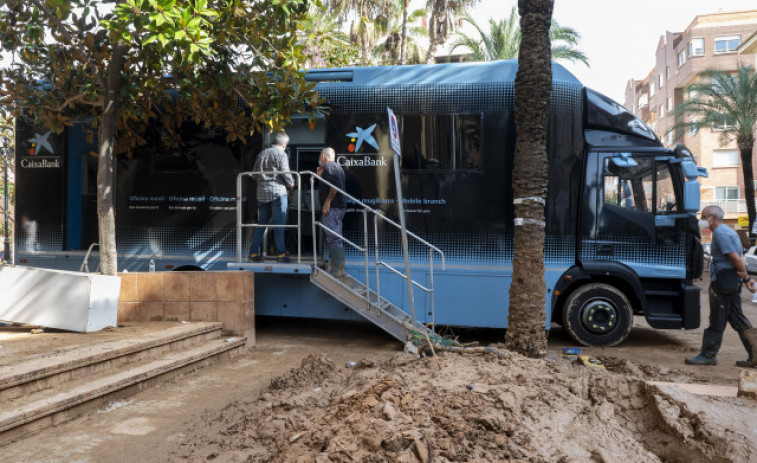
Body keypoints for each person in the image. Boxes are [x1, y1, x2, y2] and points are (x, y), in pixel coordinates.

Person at [686, 205, 757, 367]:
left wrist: (746, 279)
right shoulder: (729, 232)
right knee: (738, 318)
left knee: (717, 318)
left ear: (714, 217)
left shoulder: (720, 233)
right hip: (730, 282)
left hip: (723, 284)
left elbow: (736, 259)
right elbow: (740, 258)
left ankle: (708, 355)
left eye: (704, 216)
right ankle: (755, 355)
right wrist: (744, 280)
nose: (702, 220)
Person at [248, 132, 294, 263]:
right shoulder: (281, 154)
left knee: (261, 223)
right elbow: (286, 174)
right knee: (279, 224)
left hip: (261, 193)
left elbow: (254, 175)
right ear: (284, 145)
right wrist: (292, 183)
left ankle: (253, 253)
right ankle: (281, 255)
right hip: (277, 193)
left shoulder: (261, 154)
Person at [316, 147, 346, 278]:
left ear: (323, 157)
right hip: (337, 207)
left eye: (320, 157)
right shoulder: (336, 167)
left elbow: (334, 188)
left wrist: (327, 202)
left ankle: (336, 269)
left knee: (333, 237)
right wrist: (320, 177)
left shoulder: (329, 167)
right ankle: (337, 267)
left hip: (333, 207)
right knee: (335, 236)